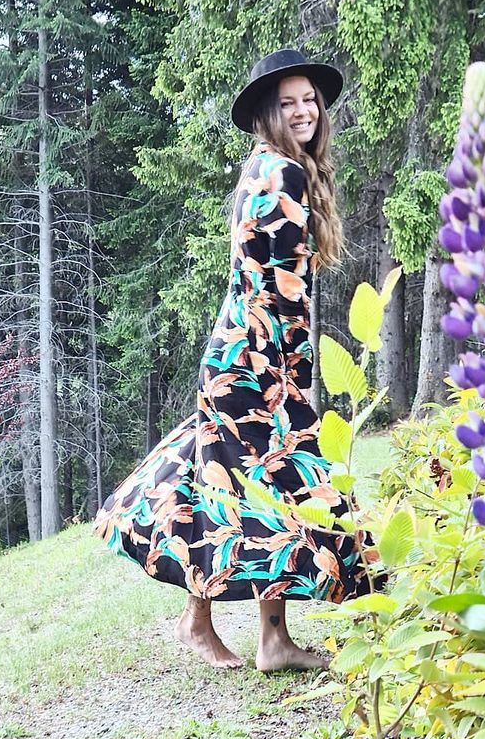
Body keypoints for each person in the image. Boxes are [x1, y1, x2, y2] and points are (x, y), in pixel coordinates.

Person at [93, 49, 377, 671]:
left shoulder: (265, 167)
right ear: (268, 114)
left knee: (247, 483)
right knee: (265, 484)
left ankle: (259, 637)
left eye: (309, 100)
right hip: (255, 361)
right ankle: (221, 627)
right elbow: (280, 290)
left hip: (243, 354)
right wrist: (290, 374)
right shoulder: (285, 174)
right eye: (289, 103)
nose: (303, 111)